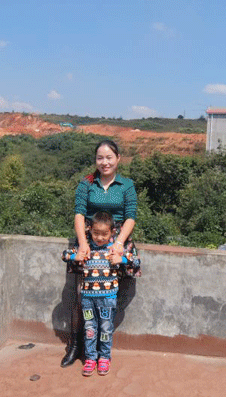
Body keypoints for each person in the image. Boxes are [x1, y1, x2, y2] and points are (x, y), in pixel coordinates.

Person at [60, 139, 140, 368]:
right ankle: (77, 346)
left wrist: (120, 244)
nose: (104, 162)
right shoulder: (86, 184)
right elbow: (78, 213)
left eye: (109, 157)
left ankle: (102, 350)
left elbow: (130, 215)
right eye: (100, 158)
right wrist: (83, 244)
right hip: (89, 241)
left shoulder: (126, 185)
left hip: (116, 241)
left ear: (118, 159)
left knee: (111, 294)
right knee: (80, 293)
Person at [62, 211, 131, 376]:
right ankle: (90, 358)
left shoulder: (114, 250)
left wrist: (120, 260)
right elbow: (64, 255)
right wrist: (75, 255)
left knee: (105, 329)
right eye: (96, 233)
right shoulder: (85, 249)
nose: (100, 237)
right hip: (87, 299)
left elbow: (134, 259)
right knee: (90, 329)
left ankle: (104, 358)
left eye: (104, 234)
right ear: (89, 230)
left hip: (107, 299)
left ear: (112, 232)